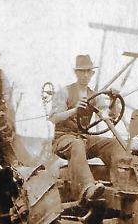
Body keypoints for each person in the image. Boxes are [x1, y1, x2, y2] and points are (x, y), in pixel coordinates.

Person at [49, 53, 127, 205]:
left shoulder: (94, 95)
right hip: (63, 139)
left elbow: (109, 115)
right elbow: (54, 118)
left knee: (113, 144)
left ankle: (122, 183)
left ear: (92, 73)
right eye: (81, 72)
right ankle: (88, 188)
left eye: (88, 72)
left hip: (83, 139)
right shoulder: (65, 92)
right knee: (77, 144)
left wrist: (113, 101)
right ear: (76, 73)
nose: (85, 75)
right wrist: (74, 111)